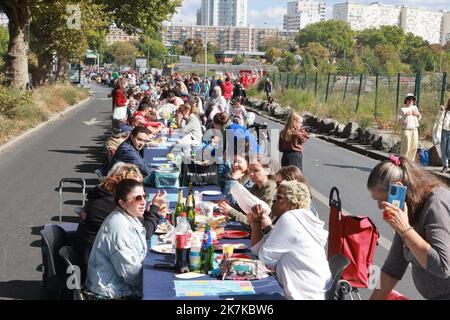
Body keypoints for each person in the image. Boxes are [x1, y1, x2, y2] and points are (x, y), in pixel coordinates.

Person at [367, 156, 450, 300]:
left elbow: (442, 266)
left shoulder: (435, 204)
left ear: (398, 188)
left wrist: (405, 230)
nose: (380, 206)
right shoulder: (408, 210)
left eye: (382, 199)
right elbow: (392, 269)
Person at [75, 163, 165, 275]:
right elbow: (145, 232)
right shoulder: (110, 209)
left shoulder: (106, 198)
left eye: (143, 195)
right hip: (99, 270)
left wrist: (145, 211)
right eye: (136, 196)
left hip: (102, 262)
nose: (142, 200)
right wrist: (154, 208)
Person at [249, 180, 332, 300]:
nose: (273, 201)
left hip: (304, 295)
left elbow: (264, 258)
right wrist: (257, 220)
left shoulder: (290, 219)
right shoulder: (295, 219)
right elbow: (257, 249)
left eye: (279, 198)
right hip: (313, 291)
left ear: (293, 205)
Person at [85, 180, 149, 299]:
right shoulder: (119, 226)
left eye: (145, 196)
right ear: (122, 203)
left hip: (120, 288)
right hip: (110, 294)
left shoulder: (130, 217)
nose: (144, 202)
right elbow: (131, 275)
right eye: (137, 198)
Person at [219, 154, 278, 225]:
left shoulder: (271, 190)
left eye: (256, 170)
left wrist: (231, 211)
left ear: (267, 171)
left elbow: (260, 223)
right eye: (250, 169)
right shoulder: (256, 186)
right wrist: (229, 206)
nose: (251, 173)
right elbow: (247, 210)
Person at [399, 93, 422, 161]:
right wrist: (405, 115)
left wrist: (418, 114)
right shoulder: (403, 109)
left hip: (414, 129)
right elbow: (400, 121)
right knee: (406, 147)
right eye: (409, 99)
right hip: (406, 130)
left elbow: (419, 117)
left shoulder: (415, 108)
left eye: (412, 99)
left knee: (414, 147)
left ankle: (411, 163)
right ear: (406, 100)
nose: (411, 101)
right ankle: (403, 162)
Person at [438, 99, 450, 173]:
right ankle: (445, 166)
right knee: (443, 149)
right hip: (444, 131)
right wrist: (441, 111)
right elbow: (439, 120)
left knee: (449, 149)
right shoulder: (445, 111)